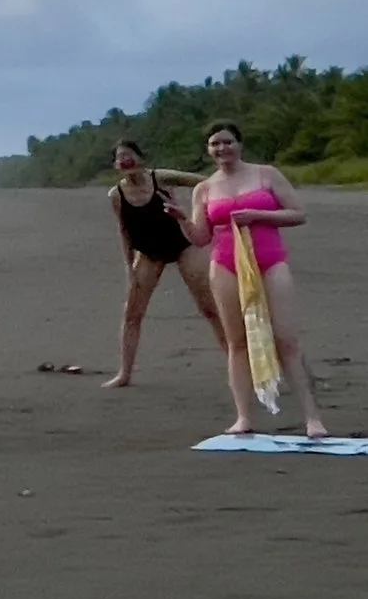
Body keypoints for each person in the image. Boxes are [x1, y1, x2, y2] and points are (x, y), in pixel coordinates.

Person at [184, 122, 329, 438]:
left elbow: (297, 213)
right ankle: (243, 417)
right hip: (225, 262)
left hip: (270, 260)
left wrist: (258, 216)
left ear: (239, 144)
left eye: (227, 142)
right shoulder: (205, 189)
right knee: (237, 343)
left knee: (287, 340)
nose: (222, 149)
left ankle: (312, 417)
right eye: (214, 144)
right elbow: (200, 236)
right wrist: (180, 219)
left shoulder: (266, 174)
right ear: (209, 150)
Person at [103, 138, 226, 388]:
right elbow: (124, 231)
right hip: (148, 252)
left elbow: (204, 182)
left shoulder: (162, 178)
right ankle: (124, 374)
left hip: (183, 244)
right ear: (116, 165)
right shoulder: (116, 195)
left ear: (141, 158)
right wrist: (128, 267)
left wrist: (197, 214)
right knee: (132, 314)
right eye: (120, 157)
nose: (126, 160)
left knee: (210, 309)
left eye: (130, 154)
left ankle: (237, 361)